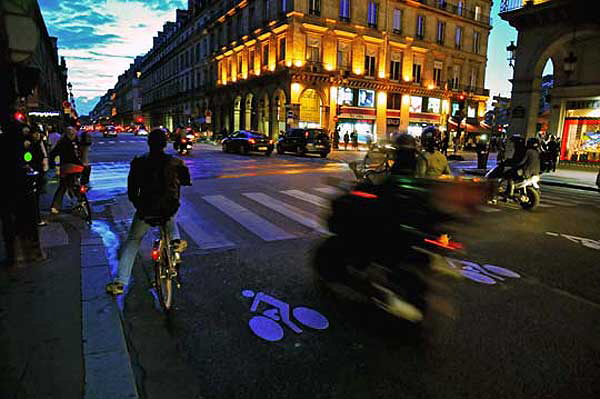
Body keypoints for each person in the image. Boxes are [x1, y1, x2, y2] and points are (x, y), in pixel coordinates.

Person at [106, 129, 191, 295]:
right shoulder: (175, 162)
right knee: (170, 214)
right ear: (165, 144)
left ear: (148, 143)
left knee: (133, 240)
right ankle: (175, 241)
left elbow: (131, 191)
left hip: (146, 209)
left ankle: (120, 282)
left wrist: (139, 205)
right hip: (168, 207)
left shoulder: (138, 162)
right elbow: (186, 180)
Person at [49, 127, 84, 214]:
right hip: (72, 166)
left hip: (70, 166)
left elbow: (53, 154)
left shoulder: (65, 142)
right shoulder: (69, 142)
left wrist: (52, 164)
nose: (72, 135)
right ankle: (80, 200)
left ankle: (56, 206)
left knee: (64, 186)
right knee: (68, 184)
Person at [25, 126, 49, 226]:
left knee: (36, 197)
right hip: (34, 172)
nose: (37, 135)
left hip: (39, 171)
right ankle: (36, 219)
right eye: (35, 133)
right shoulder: (30, 145)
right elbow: (28, 158)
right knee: (34, 197)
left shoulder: (38, 143)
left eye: (38, 133)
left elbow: (44, 155)